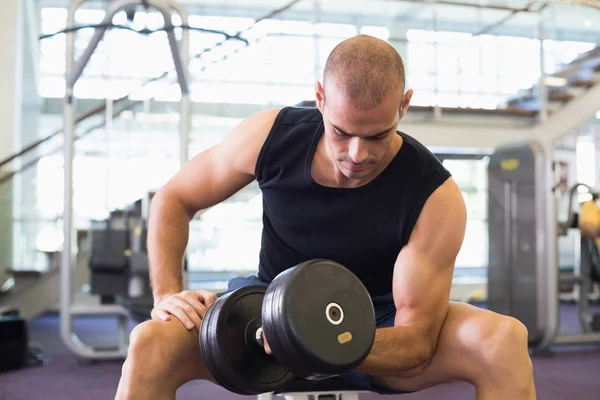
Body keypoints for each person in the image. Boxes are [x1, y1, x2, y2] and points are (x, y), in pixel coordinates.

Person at [115, 34, 536, 400]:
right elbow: (173, 198)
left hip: (378, 333)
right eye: (341, 131)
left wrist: (311, 342)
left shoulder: (434, 196)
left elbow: (417, 343)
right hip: (265, 319)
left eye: (376, 135)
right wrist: (166, 294)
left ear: (403, 106)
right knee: (151, 341)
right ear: (320, 99)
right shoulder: (271, 138)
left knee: (503, 341)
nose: (357, 154)